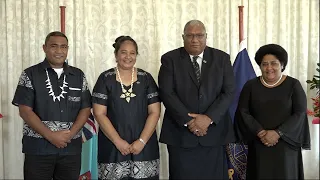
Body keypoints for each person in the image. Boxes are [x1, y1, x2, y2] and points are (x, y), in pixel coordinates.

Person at [158, 20, 235, 179]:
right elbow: (167, 93)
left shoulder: (221, 58)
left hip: (214, 134)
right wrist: (189, 121)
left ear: (206, 37)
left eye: (199, 35)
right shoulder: (169, 59)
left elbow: (228, 92)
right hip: (180, 135)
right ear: (183, 37)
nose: (194, 40)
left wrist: (208, 118)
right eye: (190, 36)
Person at [12, 31, 92, 180]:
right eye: (54, 46)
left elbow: (86, 108)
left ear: (67, 49)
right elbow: (25, 111)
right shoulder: (30, 74)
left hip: (70, 149)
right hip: (38, 149)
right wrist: (51, 136)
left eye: (63, 47)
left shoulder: (78, 75)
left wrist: (70, 135)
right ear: (44, 48)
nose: (59, 51)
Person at [234, 44, 311, 179]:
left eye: (274, 63)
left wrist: (278, 133)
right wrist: (260, 132)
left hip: (286, 145)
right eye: (265, 64)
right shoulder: (250, 86)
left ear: (282, 64)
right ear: (260, 66)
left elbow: (299, 113)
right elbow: (243, 112)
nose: (269, 68)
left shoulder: (293, 85)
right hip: (259, 143)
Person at [92, 36, 161, 180]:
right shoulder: (105, 78)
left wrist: (141, 141)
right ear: (116, 55)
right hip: (112, 146)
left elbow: (155, 112)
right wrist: (118, 141)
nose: (128, 57)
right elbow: (99, 114)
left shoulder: (146, 78)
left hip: (144, 146)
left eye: (132, 53)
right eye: (123, 52)